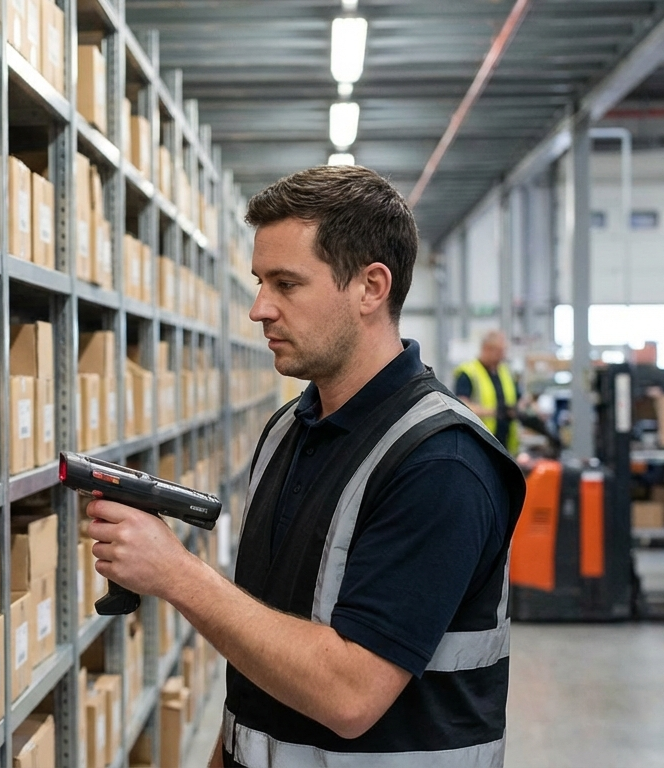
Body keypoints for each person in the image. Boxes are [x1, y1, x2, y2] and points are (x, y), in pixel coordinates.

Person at [82, 166, 526, 767]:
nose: (258, 309)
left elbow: (351, 693)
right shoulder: (290, 429)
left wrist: (175, 573)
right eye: (260, 281)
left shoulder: (441, 462)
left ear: (371, 288)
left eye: (286, 284)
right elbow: (265, 651)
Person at [454, 331, 520, 453]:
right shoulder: (468, 372)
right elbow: (462, 405)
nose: (503, 356)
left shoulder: (504, 371)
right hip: (480, 444)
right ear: (486, 349)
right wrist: (496, 412)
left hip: (506, 445)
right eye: (499, 351)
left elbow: (518, 398)